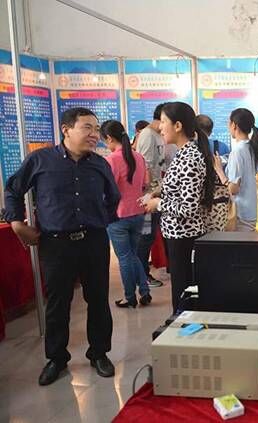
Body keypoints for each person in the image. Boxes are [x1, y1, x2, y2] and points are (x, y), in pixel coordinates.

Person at [4, 107, 120, 385]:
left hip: (93, 241)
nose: (94, 134)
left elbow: (113, 198)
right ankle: (56, 358)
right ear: (66, 130)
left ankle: (99, 353)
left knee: (98, 299)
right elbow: (13, 190)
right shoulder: (40, 160)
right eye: (87, 127)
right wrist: (17, 223)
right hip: (56, 244)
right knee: (58, 303)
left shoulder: (100, 164)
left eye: (96, 129)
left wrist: (99, 221)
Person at [144, 102, 220, 313]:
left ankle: (183, 325)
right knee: (181, 288)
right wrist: (161, 192)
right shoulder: (183, 153)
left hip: (184, 236)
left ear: (177, 126)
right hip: (177, 235)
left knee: (183, 290)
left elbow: (188, 208)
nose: (160, 127)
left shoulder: (190, 157)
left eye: (163, 122)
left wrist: (158, 204)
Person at [101, 120, 151, 309]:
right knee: (133, 255)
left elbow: (108, 190)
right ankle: (144, 291)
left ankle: (130, 297)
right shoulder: (138, 157)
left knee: (124, 257)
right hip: (139, 212)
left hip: (118, 216)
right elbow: (145, 184)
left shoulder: (111, 160)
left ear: (109, 138)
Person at [225, 108, 258, 231]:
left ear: (234, 125)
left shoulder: (237, 151)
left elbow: (233, 189)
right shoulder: (256, 148)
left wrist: (219, 170)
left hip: (243, 214)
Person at [135, 103, 166, 288]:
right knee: (145, 236)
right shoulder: (147, 134)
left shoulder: (157, 135)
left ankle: (143, 273)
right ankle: (142, 276)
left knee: (150, 235)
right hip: (149, 194)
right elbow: (144, 165)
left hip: (156, 192)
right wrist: (150, 194)